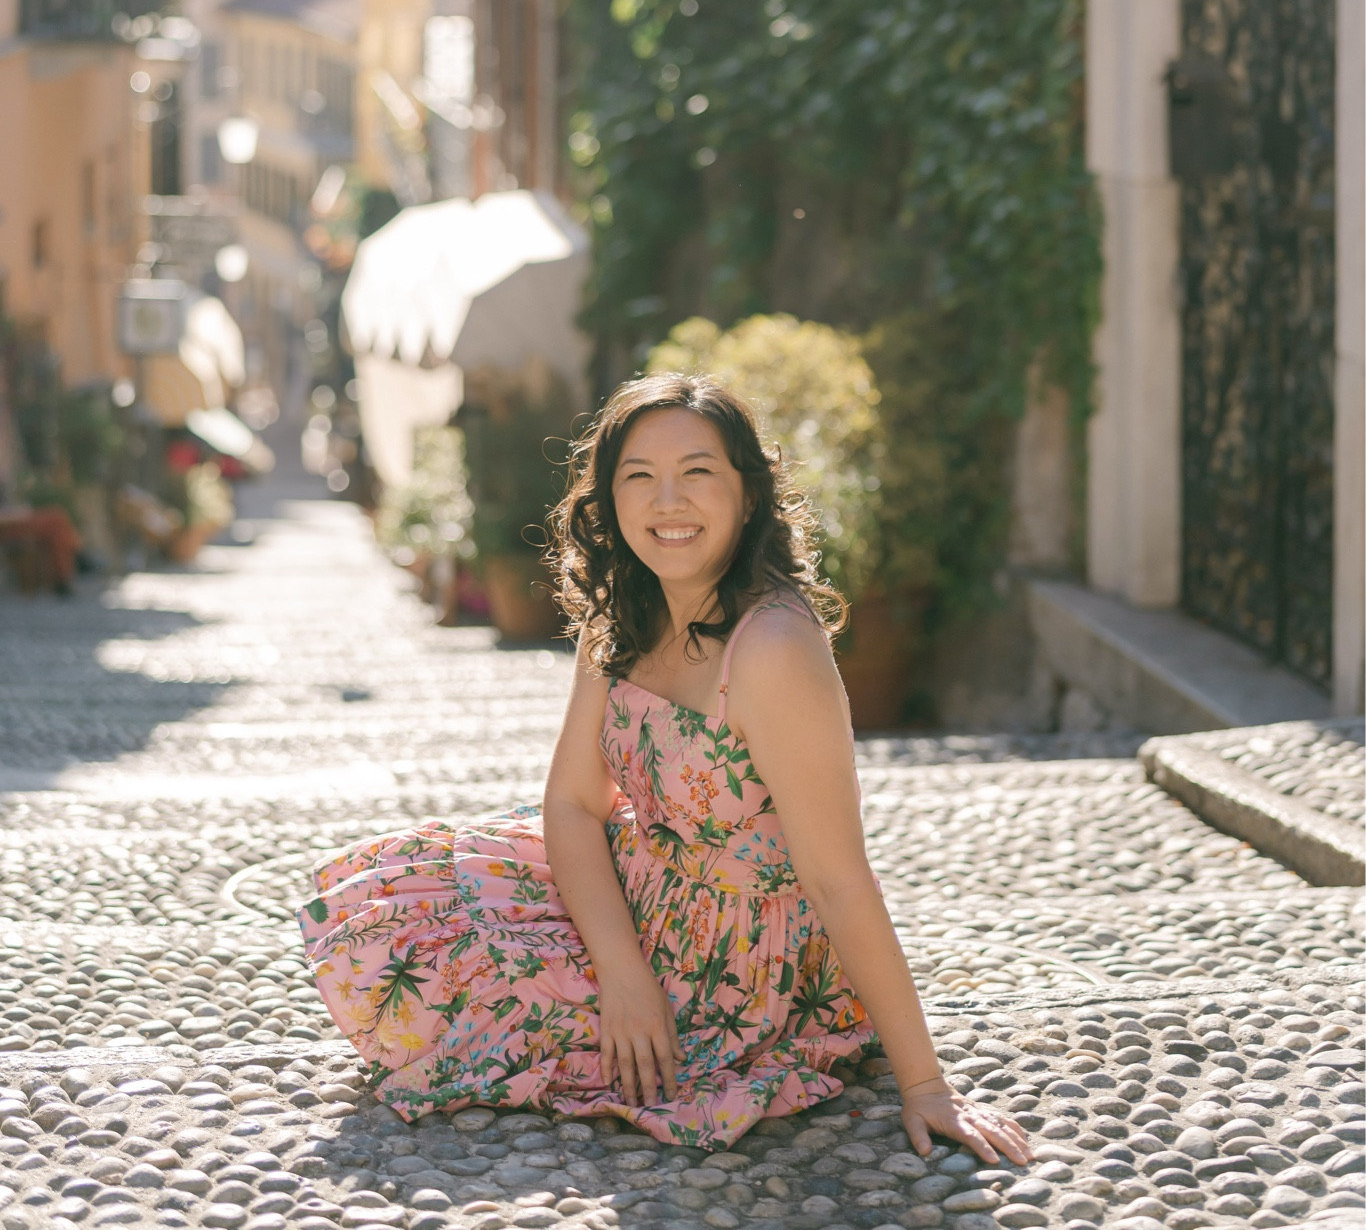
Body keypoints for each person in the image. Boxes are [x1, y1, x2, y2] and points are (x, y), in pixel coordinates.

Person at [297, 372, 1029, 1165]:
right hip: (633, 891)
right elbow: (575, 803)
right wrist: (620, 969)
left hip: (736, 959)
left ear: (748, 496)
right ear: (608, 502)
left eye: (697, 473)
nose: (667, 501)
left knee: (473, 1001)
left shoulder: (774, 646)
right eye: (638, 477)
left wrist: (925, 1085)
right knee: (400, 913)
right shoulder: (622, 613)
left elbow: (838, 878)